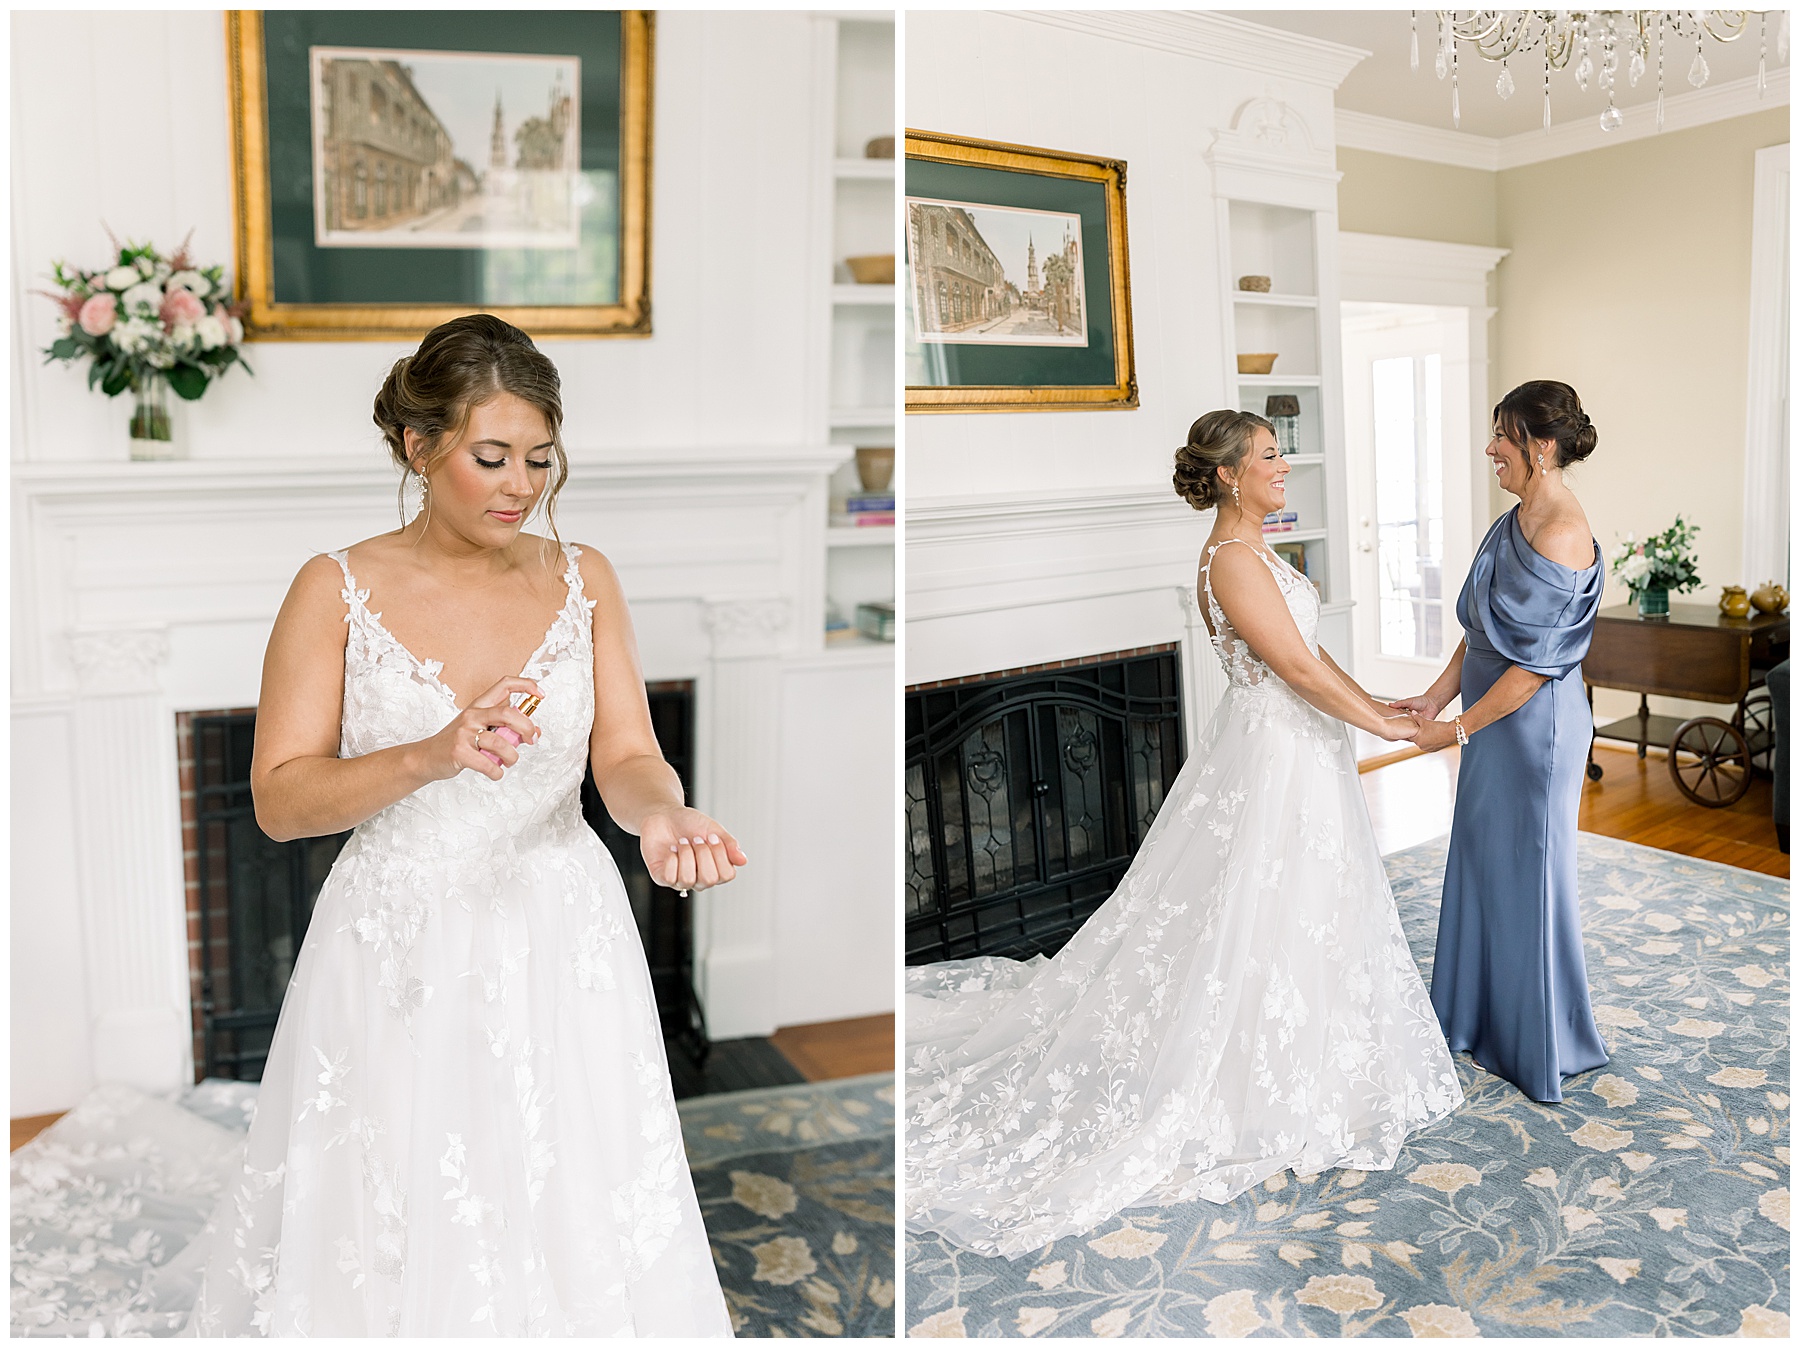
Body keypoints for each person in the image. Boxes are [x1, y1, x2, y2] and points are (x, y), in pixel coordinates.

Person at [178, 314, 745, 1334]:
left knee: (570, 1180)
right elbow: (280, 799)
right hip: (403, 936)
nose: (520, 485)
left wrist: (661, 815)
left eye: (539, 457)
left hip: (562, 925)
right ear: (419, 446)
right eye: (492, 457)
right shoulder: (334, 588)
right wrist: (430, 754)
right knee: (405, 1187)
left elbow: (625, 754)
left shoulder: (585, 578)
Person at [904, 410, 1463, 1260]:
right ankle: (1250, 1070)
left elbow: (1312, 651)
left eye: (1280, 453)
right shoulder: (1230, 559)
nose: (1283, 465)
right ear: (1230, 474)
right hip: (1273, 752)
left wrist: (1380, 706)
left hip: (1302, 744)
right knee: (1258, 904)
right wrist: (1390, 732)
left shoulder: (1258, 551)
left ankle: (1315, 1048)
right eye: (1269, 456)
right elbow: (1293, 669)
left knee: (1304, 900)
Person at [1393, 380, 1608, 1104]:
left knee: (1530, 876)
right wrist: (1436, 697)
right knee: (1483, 862)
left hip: (1534, 732)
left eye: (1502, 435)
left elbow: (1534, 667)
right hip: (1489, 720)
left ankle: (1539, 1039)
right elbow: (1483, 632)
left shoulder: (1563, 532)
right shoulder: (1513, 519)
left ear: (1540, 446)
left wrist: (1456, 729)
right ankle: (1477, 1018)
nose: (1490, 448)